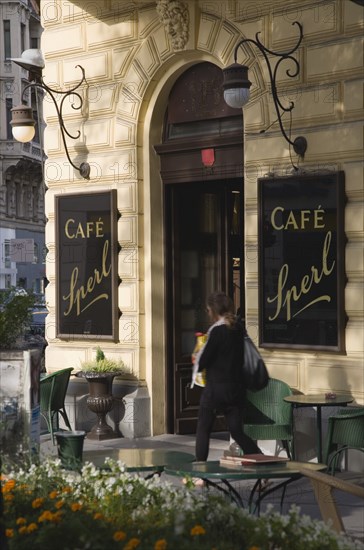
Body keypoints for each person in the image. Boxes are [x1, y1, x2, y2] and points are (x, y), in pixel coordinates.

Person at [194, 291, 262, 461]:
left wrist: (197, 358)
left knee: (203, 429)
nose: (208, 314)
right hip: (237, 390)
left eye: (208, 311)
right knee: (236, 431)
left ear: (213, 311)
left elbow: (204, 361)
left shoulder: (217, 332)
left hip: (216, 389)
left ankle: (199, 472)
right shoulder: (239, 329)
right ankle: (262, 462)